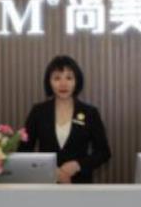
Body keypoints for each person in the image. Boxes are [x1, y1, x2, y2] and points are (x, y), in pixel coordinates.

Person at [20, 55, 111, 183]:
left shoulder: (90, 113)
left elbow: (103, 153)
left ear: (76, 81)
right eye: (57, 78)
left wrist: (78, 165)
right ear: (49, 82)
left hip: (80, 185)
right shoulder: (38, 111)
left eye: (69, 78)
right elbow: (24, 150)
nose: (63, 84)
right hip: (46, 184)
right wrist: (49, 169)